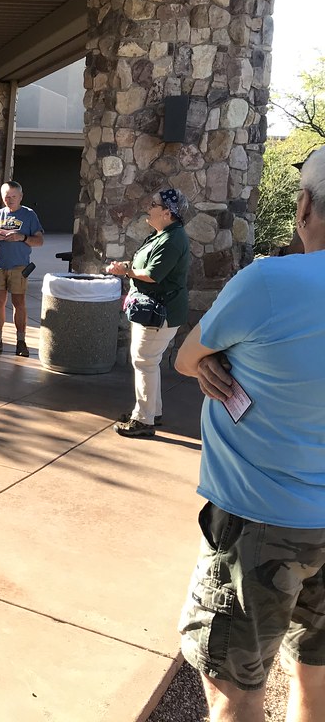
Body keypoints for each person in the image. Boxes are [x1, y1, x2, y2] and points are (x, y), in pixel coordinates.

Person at [173, 148, 325, 722]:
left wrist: (213, 362)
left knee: (235, 689)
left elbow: (188, 358)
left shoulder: (268, 282)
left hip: (261, 525)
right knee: (314, 672)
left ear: (304, 205)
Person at [104, 188, 190, 437]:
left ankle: (143, 420)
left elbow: (153, 275)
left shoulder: (172, 239)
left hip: (159, 312)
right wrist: (126, 267)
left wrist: (125, 273)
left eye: (153, 204)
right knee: (148, 362)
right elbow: (145, 265)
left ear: (167, 213)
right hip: (154, 310)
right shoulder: (162, 235)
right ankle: (152, 412)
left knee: (144, 361)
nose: (148, 207)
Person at [0, 181, 45, 357]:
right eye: (6, 197)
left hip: (19, 266)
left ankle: (21, 341)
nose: (10, 200)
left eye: (13, 197)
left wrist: (21, 237)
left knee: (19, 303)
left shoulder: (29, 215)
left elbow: (39, 241)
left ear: (21, 197)